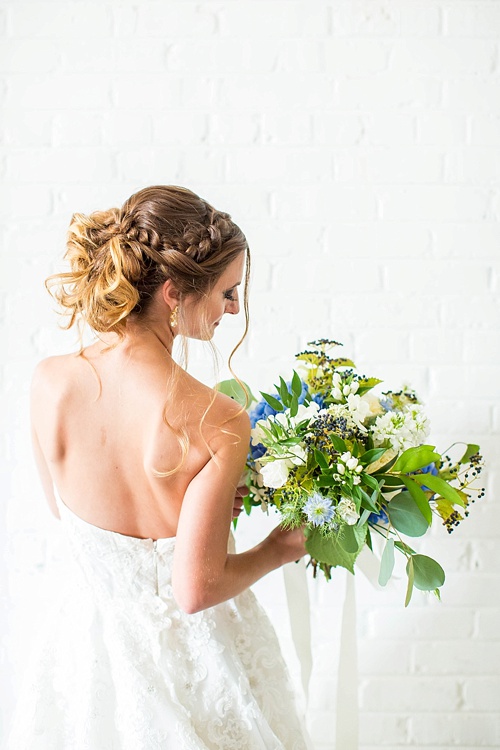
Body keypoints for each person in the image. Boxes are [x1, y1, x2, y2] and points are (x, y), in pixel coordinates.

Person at [6, 185, 310, 749]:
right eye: (228, 291)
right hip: (198, 663)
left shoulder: (49, 381)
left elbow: (63, 509)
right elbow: (195, 590)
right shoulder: (219, 421)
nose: (234, 310)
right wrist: (278, 550)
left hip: (88, 653)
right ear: (174, 292)